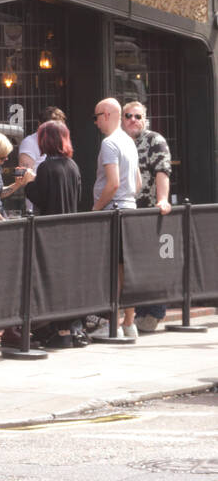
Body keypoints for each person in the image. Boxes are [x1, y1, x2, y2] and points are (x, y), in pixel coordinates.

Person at [23, 120, 86, 348]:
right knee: (66, 281)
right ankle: (68, 329)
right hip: (69, 230)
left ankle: (59, 331)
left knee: (52, 281)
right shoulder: (72, 166)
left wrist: (29, 183)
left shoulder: (46, 168)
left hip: (50, 233)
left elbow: (39, 198)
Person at [91, 98, 142, 338]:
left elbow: (112, 183)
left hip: (114, 210)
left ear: (108, 115)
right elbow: (138, 183)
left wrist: (95, 208)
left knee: (113, 270)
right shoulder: (129, 142)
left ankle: (112, 325)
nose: (96, 122)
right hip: (129, 207)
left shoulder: (109, 144)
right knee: (125, 270)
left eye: (97, 117)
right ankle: (128, 324)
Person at [123, 100, 172, 332]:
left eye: (137, 116)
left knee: (151, 263)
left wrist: (162, 199)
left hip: (149, 211)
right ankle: (136, 313)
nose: (133, 120)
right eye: (128, 115)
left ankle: (153, 312)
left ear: (145, 120)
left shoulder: (154, 140)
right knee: (132, 265)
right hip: (127, 212)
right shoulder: (119, 142)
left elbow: (162, 170)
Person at [17, 106, 65, 211]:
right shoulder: (29, 142)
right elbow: (23, 175)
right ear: (40, 125)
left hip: (59, 202)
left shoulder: (62, 143)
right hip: (37, 205)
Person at [0, 129, 32, 214]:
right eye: (2, 157)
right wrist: (2, 221)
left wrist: (17, 184)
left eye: (6, 156)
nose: (6, 159)